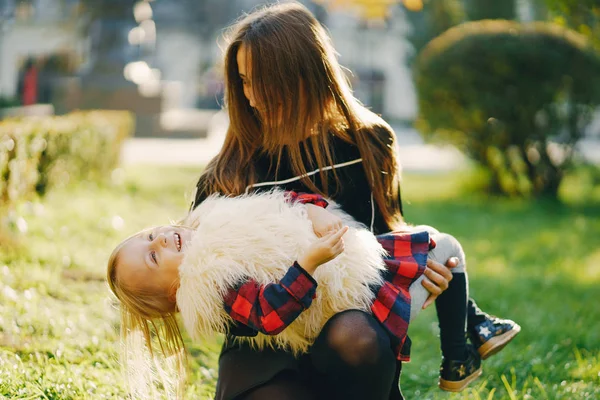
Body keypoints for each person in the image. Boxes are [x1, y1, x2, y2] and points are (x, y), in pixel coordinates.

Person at [189, 2, 520, 399]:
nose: (252, 96)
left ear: (308, 74)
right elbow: (204, 282)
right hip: (265, 340)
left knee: (356, 334)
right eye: (243, 81)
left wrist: (428, 272)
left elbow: (383, 237)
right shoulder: (228, 173)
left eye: (265, 80)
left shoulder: (367, 144)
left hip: (347, 332)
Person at [108, 190, 468, 399]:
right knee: (446, 247)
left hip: (361, 261)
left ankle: (463, 348)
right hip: (357, 298)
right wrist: (306, 265)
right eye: (153, 256)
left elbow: (280, 202)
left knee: (443, 245)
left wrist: (313, 209)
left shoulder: (215, 220)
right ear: (173, 292)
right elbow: (269, 313)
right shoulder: (210, 281)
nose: (157, 239)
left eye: (145, 236)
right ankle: (458, 352)